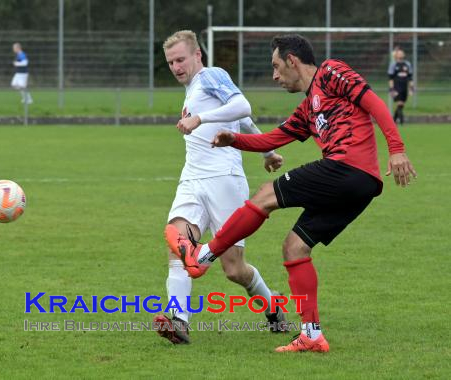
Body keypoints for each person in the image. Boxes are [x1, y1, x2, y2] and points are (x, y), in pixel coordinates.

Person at [165, 34, 417, 352]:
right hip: (357, 188)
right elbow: (273, 139)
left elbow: (375, 103)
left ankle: (205, 255)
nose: (274, 76)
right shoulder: (306, 110)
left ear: (292, 61)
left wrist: (396, 149)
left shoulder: (332, 72)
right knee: (294, 248)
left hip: (347, 168)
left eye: (276, 66)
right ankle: (311, 335)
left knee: (265, 195)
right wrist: (234, 139)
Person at [154, 30, 287, 344]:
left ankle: (272, 305)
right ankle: (179, 321)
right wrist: (267, 151)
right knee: (177, 244)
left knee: (233, 269)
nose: (175, 66)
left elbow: (242, 106)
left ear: (198, 55)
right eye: (171, 61)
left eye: (181, 59)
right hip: (192, 179)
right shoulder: (193, 91)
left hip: (225, 180)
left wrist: (199, 119)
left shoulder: (211, 76)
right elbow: (242, 121)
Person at [388, 47, 413, 125]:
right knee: (399, 103)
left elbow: (410, 77)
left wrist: (411, 88)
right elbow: (390, 78)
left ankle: (394, 121)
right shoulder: (393, 65)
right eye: (399, 53)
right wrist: (391, 89)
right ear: (396, 55)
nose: (401, 54)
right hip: (396, 87)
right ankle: (402, 121)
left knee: (402, 104)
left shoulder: (407, 64)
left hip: (404, 87)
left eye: (402, 53)